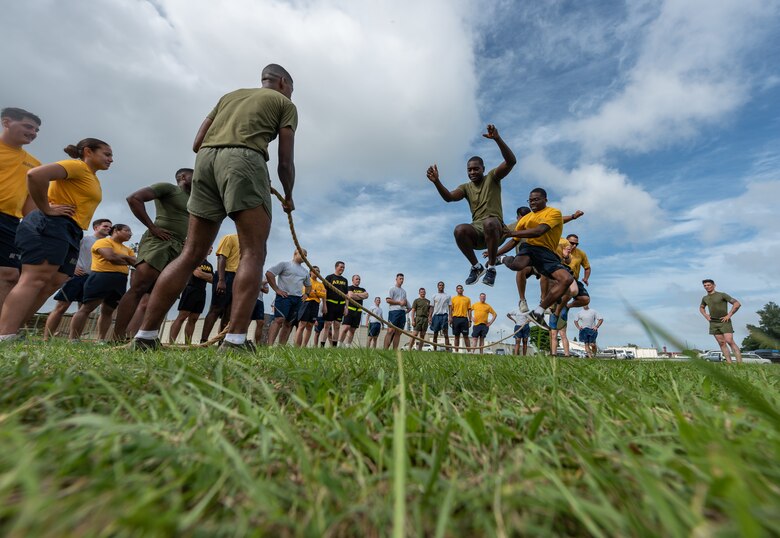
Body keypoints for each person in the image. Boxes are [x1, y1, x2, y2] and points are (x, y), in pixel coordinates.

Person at [133, 63, 297, 351]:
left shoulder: (229, 96)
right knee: (253, 251)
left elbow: (197, 143)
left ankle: (145, 336)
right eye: (291, 89)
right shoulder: (284, 103)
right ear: (283, 82)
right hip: (245, 161)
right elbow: (285, 161)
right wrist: (288, 195)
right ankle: (234, 341)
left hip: (206, 162)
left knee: (191, 253)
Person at [0, 138, 112, 341]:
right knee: (35, 278)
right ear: (88, 151)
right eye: (106, 154)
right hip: (51, 224)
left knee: (54, 281)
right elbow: (35, 175)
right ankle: (4, 334)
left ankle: (14, 331)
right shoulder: (76, 166)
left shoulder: (92, 177)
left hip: (72, 229)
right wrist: (46, 208)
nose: (111, 159)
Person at [427, 124, 516, 288]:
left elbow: (511, 161)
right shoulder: (465, 187)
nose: (473, 172)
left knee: (489, 222)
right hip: (477, 233)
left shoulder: (492, 178)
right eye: (470, 170)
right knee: (459, 229)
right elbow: (449, 198)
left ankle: (491, 267)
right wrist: (437, 182)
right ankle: (476, 267)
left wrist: (497, 138)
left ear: (484, 169)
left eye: (476, 169)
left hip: (496, 230)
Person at [112, 169, 193, 340]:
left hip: (178, 247)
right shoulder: (169, 188)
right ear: (183, 177)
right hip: (158, 242)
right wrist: (153, 227)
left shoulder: (195, 200)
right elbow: (134, 198)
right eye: (196, 175)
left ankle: (144, 337)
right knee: (140, 287)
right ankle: (116, 337)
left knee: (162, 293)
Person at [495, 188, 574, 331]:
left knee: (566, 279)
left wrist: (574, 216)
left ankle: (538, 312)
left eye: (536, 199)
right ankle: (503, 259)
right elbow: (514, 241)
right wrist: (495, 253)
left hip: (547, 254)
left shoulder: (554, 213)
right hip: (530, 248)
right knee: (518, 266)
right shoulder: (524, 219)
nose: (533, 202)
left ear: (545, 199)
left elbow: (540, 231)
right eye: (530, 200)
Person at [0, 108, 41, 314]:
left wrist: (33, 230)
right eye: (28, 126)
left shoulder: (35, 165)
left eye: (36, 130)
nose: (33, 132)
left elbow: (30, 203)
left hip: (9, 223)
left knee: (9, 275)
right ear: (6, 122)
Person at [44, 218, 112, 340]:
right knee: (61, 307)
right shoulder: (85, 239)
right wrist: (72, 267)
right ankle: (46, 338)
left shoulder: (109, 245)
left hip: (93, 279)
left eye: (110, 227)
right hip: (77, 277)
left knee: (84, 310)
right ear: (96, 227)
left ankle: (74, 339)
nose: (108, 229)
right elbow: (68, 251)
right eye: (105, 226)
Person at [68, 224, 136, 342]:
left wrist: (122, 258)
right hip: (101, 277)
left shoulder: (128, 249)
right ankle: (73, 339)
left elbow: (135, 262)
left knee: (108, 311)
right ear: (116, 231)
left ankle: (101, 340)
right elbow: (111, 257)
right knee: (87, 308)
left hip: (120, 280)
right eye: (127, 230)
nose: (130, 233)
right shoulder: (103, 242)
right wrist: (126, 259)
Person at [199, 233, 240, 342]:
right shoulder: (230, 238)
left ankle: (222, 341)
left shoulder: (249, 243)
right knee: (216, 309)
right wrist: (221, 280)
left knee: (229, 312)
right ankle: (204, 341)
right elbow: (221, 258)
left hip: (238, 277)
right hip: (226, 275)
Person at [265, 249, 310, 346]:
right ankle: (270, 346)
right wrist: (276, 289)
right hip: (284, 297)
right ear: (295, 253)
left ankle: (281, 348)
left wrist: (307, 294)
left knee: (288, 323)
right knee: (278, 320)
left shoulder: (305, 271)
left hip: (297, 299)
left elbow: (308, 285)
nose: (304, 257)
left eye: (306, 255)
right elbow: (269, 274)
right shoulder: (284, 264)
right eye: (303, 254)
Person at [167, 252, 214, 344]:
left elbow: (213, 279)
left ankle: (188, 344)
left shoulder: (209, 265)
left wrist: (204, 275)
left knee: (194, 318)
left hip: (201, 292)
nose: (211, 248)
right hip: (190, 289)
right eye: (210, 246)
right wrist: (207, 276)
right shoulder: (195, 260)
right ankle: (171, 343)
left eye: (212, 247)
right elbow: (197, 274)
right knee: (182, 316)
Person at [699, 279, 742, 364]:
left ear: (714, 285)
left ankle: (740, 364)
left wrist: (729, 315)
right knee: (721, 343)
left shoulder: (722, 295)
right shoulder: (705, 298)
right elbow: (701, 307)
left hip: (724, 321)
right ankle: (729, 363)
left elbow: (737, 304)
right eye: (705, 286)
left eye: (709, 285)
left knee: (729, 341)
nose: (707, 287)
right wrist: (706, 315)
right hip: (713, 322)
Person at [295, 265, 325, 347]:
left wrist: (314, 291)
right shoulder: (306, 281)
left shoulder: (321, 284)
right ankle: (296, 346)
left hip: (315, 304)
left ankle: (304, 346)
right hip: (306, 303)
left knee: (310, 326)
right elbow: (306, 292)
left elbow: (323, 294)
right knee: (302, 325)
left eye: (319, 271)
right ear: (310, 272)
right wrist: (316, 293)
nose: (317, 272)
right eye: (315, 271)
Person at [320, 261, 348, 347]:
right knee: (327, 325)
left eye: (343, 267)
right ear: (336, 267)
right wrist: (324, 305)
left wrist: (346, 307)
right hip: (330, 304)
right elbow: (323, 292)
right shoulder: (329, 277)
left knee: (337, 326)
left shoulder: (345, 280)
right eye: (341, 267)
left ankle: (334, 347)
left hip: (340, 306)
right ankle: (322, 346)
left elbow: (346, 295)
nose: (342, 269)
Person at [339, 275, 368, 347]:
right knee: (346, 328)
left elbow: (366, 295)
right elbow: (350, 295)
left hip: (358, 311)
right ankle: (339, 344)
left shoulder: (362, 289)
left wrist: (355, 295)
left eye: (359, 279)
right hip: (350, 309)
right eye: (357, 279)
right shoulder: (349, 287)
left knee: (353, 330)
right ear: (353, 280)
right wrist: (360, 296)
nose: (358, 280)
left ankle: (347, 345)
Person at [383, 273, 408, 350]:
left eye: (402, 279)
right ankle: (385, 350)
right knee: (390, 331)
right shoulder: (392, 289)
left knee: (398, 332)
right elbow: (388, 300)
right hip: (393, 312)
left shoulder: (404, 292)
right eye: (400, 278)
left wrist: (404, 304)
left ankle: (395, 351)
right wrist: (399, 302)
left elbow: (405, 302)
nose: (401, 280)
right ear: (396, 279)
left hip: (402, 313)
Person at [430, 281, 452, 350]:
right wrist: (430, 316)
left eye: (442, 285)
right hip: (436, 316)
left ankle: (447, 350)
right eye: (439, 285)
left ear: (444, 286)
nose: (441, 286)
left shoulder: (447, 296)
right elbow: (431, 307)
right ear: (437, 286)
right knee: (435, 333)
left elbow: (450, 307)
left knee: (445, 333)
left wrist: (450, 316)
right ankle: (435, 350)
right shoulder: (434, 295)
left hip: (444, 316)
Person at [451, 284, 472, 352]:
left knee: (466, 336)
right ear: (456, 290)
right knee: (456, 336)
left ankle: (469, 352)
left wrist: (470, 320)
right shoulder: (453, 299)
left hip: (464, 319)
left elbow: (469, 310)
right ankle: (456, 352)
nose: (460, 289)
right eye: (458, 288)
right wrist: (450, 319)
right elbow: (451, 310)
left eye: (461, 288)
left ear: (463, 290)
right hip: (455, 319)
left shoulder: (467, 299)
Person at [251, 280, 270, 344]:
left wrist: (258, 286)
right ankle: (242, 340)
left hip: (260, 300)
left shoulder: (263, 276)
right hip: (251, 298)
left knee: (260, 322)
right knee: (247, 321)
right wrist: (262, 284)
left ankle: (257, 344)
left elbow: (266, 291)